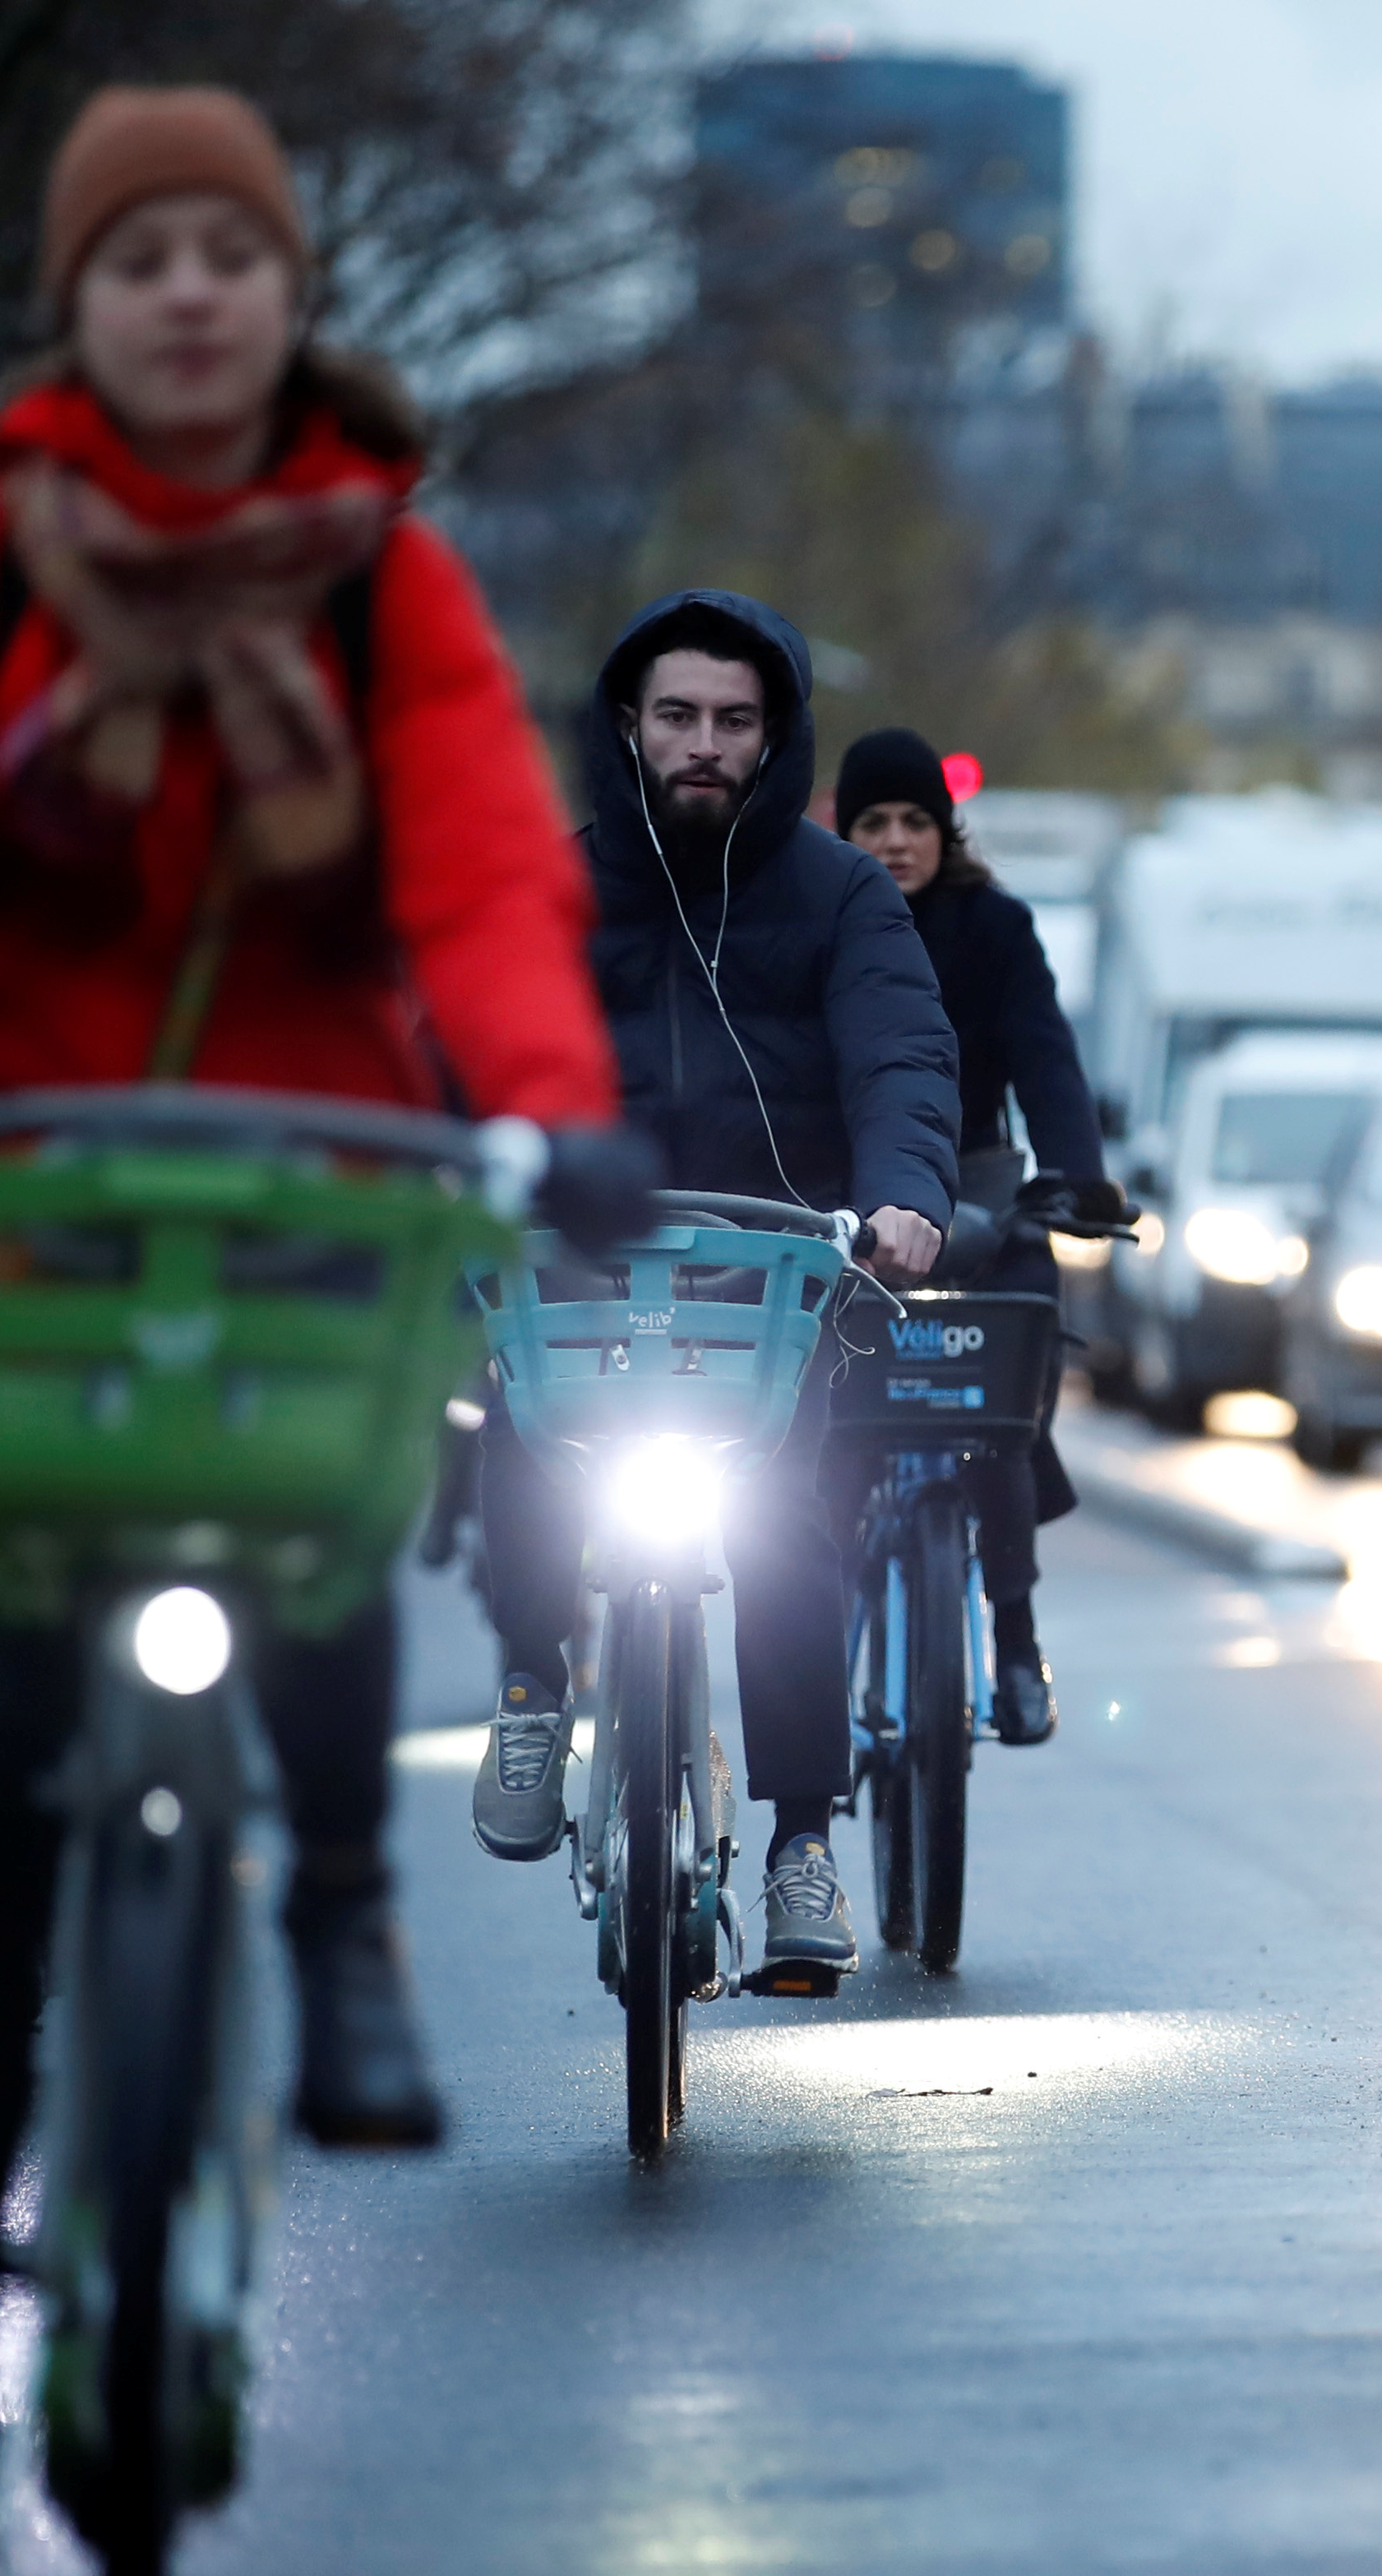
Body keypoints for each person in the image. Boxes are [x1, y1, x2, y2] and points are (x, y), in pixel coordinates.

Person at [0, 87, 639, 2576]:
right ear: (81, 306)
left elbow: (472, 856)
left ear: (290, 292)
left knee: (328, 1507)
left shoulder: (389, 590)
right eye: (148, 259)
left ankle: (341, 1915)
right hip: (21, 1195)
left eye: (238, 250)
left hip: (312, 1177)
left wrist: (552, 1108)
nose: (196, 291)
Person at [462, 593, 960, 1995]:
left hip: (776, 1279)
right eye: (675, 715)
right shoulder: (546, 889)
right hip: (580, 1268)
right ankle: (528, 1691)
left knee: (798, 1535)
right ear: (628, 724)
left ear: (775, 736)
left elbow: (901, 1059)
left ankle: (802, 1840)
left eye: (734, 722)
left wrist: (909, 1195)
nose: (702, 744)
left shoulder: (844, 896)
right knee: (514, 1434)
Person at [832, 728, 1120, 1741]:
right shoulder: (817, 912)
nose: (899, 840)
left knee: (1007, 1390)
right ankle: (814, 1641)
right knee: (822, 1414)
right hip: (847, 1206)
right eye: (875, 821)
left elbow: (1045, 1055)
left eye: (917, 821)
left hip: (985, 1198)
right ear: (844, 828)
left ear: (945, 831)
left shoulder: (994, 926)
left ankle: (1012, 1635)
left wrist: (1076, 1178)